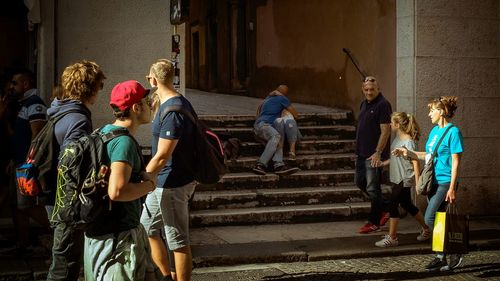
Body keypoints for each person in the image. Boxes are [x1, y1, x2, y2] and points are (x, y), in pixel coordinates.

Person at [83, 80, 158, 280]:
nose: (150, 105)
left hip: (104, 232)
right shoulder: (124, 142)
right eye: (146, 100)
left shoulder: (103, 132)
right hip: (118, 239)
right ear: (136, 107)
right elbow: (117, 191)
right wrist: (149, 185)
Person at [47, 61, 105, 281]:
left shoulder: (58, 110)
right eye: (99, 86)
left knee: (61, 260)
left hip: (54, 197)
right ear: (90, 88)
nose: (100, 92)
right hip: (66, 203)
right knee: (64, 267)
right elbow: (69, 164)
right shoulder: (78, 119)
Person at [140, 59, 197, 281]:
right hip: (162, 182)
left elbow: (163, 155)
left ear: (152, 79)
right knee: (146, 229)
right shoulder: (167, 103)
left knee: (177, 240)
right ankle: (167, 276)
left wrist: (142, 177)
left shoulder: (174, 111)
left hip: (173, 182)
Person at [393, 96, 464, 271]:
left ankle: (453, 250)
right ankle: (441, 257)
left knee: (430, 217)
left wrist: (452, 188)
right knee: (439, 218)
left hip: (446, 182)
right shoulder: (434, 132)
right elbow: (428, 155)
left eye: (432, 110)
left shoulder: (453, 132)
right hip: (433, 181)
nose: (429, 113)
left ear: (441, 112)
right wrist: (407, 153)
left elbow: (456, 161)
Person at [7, 68, 49, 251]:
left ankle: (59, 233)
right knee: (16, 205)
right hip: (17, 162)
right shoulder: (23, 104)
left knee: (26, 205)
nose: (11, 87)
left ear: (26, 84)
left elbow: (37, 135)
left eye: (15, 83)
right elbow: (18, 136)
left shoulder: (34, 104)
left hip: (25, 165)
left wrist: (28, 163)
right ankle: (22, 244)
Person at [374, 112, 430, 247]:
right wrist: (383, 163)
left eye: (392, 123)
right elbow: (395, 157)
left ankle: (392, 237)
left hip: (404, 178)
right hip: (397, 177)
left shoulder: (408, 141)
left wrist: (418, 183)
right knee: (406, 204)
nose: (390, 124)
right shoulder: (397, 139)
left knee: (393, 203)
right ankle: (427, 229)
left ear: (397, 125)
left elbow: (415, 161)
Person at [355, 76, 392, 234]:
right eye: (366, 89)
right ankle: (386, 209)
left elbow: (386, 131)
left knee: (373, 188)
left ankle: (374, 222)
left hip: (374, 154)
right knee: (360, 182)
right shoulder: (364, 103)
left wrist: (378, 153)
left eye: (372, 89)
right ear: (363, 89)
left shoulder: (383, 105)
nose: (369, 92)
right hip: (362, 153)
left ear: (378, 89)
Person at [252, 85, 300, 175]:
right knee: (276, 136)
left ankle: (278, 165)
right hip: (263, 125)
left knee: (278, 139)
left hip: (258, 126)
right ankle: (260, 164)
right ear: (285, 94)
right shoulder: (283, 99)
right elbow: (296, 115)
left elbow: (257, 113)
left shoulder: (267, 99)